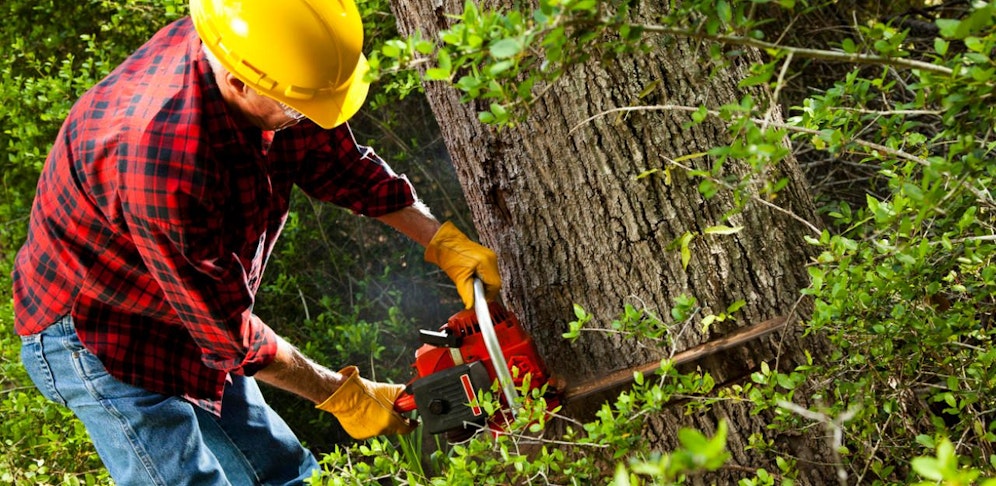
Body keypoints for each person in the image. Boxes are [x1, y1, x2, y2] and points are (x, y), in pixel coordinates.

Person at [11, 0, 501, 484]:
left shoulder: (265, 49)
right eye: (298, 107)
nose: (306, 116)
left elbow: (340, 165)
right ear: (239, 83)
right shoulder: (164, 158)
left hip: (191, 305)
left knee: (280, 473)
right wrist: (342, 394)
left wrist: (442, 242)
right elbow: (229, 335)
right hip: (100, 330)